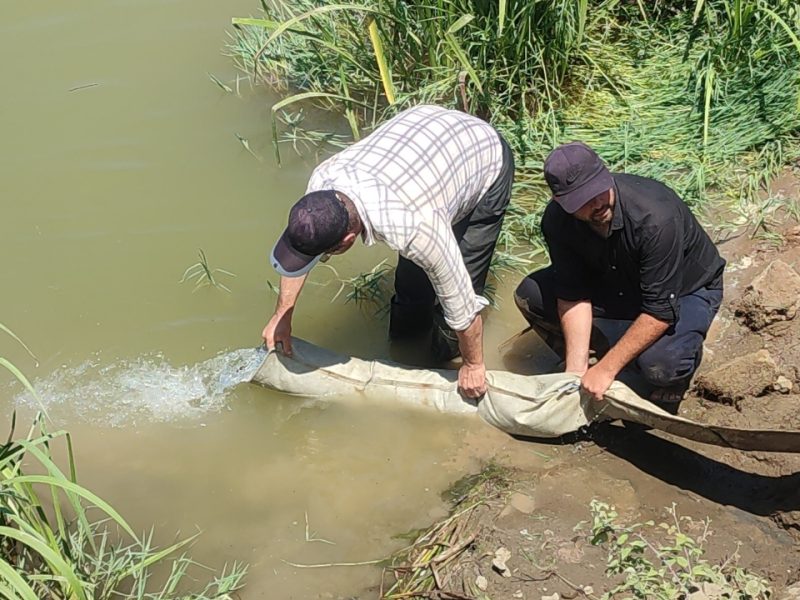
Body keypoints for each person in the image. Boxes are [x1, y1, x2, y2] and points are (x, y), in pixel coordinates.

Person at [264, 105, 515, 399]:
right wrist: (282, 315)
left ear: (347, 241)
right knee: (411, 292)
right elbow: (302, 251)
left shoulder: (415, 227)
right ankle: (408, 349)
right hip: (423, 145)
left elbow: (464, 309)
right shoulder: (321, 186)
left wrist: (474, 365)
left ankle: (444, 357)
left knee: (456, 292)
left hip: (484, 156)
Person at [514, 141, 725, 410]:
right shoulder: (557, 220)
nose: (597, 203)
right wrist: (576, 370)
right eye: (582, 201)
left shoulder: (656, 218)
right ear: (560, 202)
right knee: (530, 295)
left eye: (598, 190)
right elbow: (573, 295)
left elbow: (660, 311)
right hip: (618, 280)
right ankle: (602, 356)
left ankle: (678, 363)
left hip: (686, 289)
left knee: (661, 367)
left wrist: (606, 370)